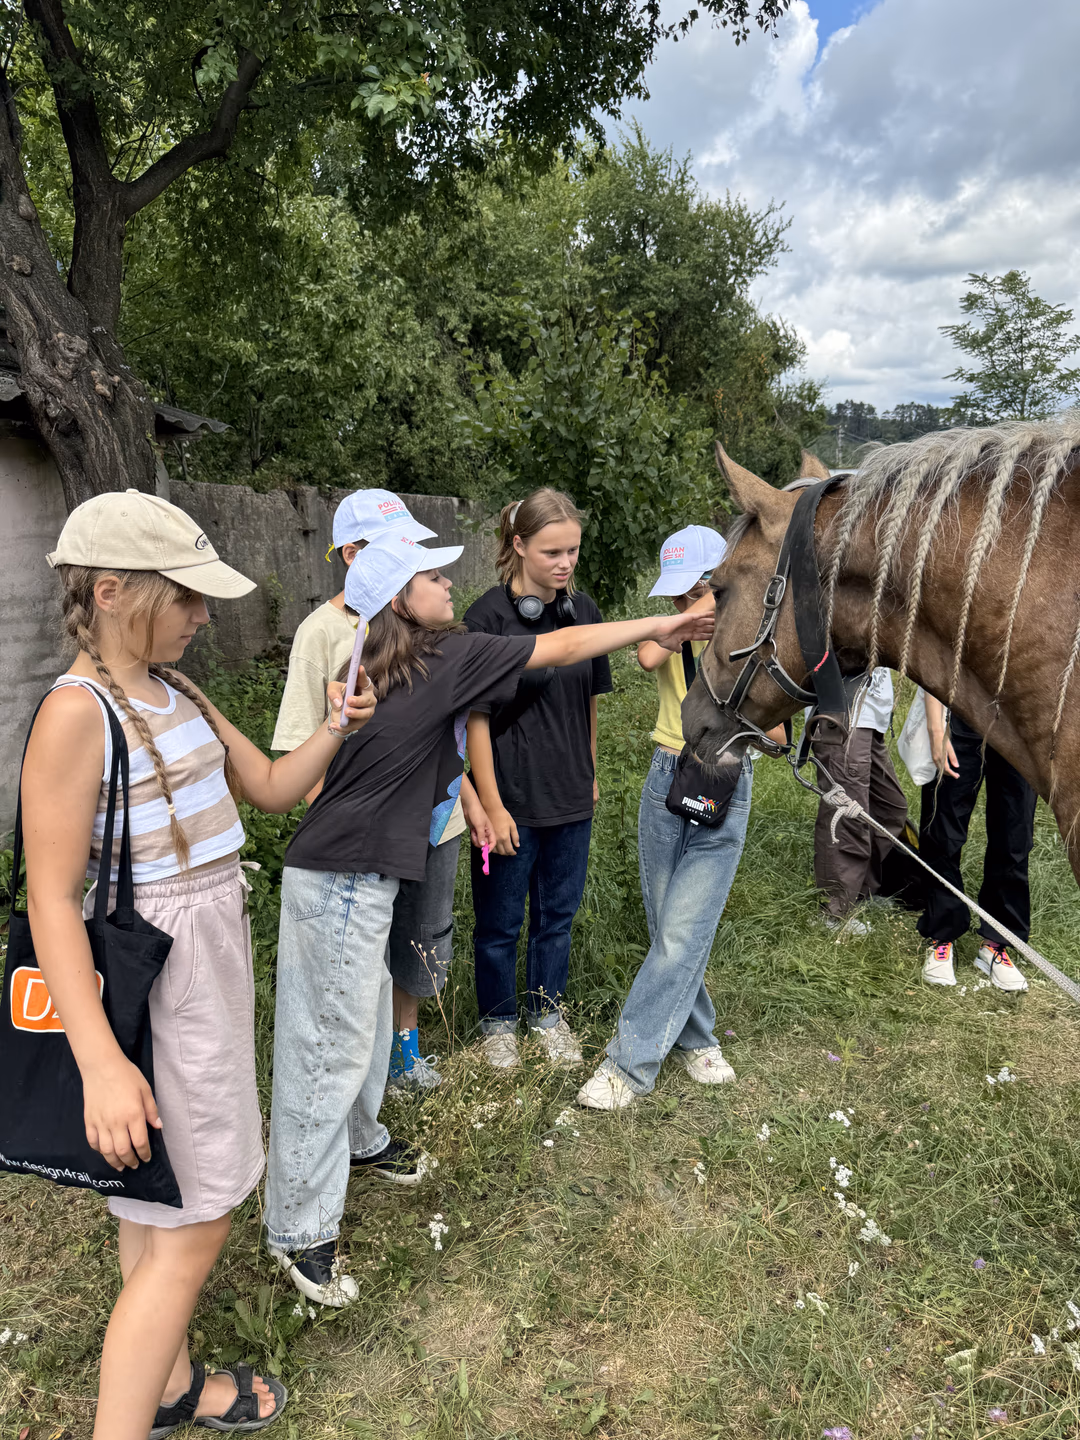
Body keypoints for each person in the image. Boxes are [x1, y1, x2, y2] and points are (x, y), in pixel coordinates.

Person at [264, 527, 714, 1304]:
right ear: (402, 600)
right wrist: (659, 626)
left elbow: (546, 661)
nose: (449, 584)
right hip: (339, 879)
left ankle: (364, 1138)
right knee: (324, 1050)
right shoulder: (432, 659)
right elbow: (562, 647)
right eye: (432, 577)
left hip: (363, 874)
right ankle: (299, 1232)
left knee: (366, 1021)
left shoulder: (409, 660)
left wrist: (484, 802)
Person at [20, 490, 376, 1440]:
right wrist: (102, 1064)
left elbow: (265, 787)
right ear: (109, 593)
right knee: (203, 1214)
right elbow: (50, 900)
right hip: (155, 984)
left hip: (205, 971)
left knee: (156, 1205)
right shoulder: (76, 716)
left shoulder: (180, 693)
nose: (204, 615)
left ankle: (172, 1386)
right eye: (185, 597)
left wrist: (339, 726)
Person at [271, 488, 494, 1091]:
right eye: (388, 546)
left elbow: (443, 736)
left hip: (435, 823)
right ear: (351, 553)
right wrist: (342, 815)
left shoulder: (425, 627)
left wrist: (471, 803)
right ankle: (360, 1062)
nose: (408, 555)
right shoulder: (322, 633)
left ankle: (405, 1049)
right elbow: (298, 747)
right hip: (364, 835)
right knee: (361, 947)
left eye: (411, 545)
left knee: (423, 936)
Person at [577, 526, 781, 1109]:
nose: (677, 603)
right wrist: (688, 622)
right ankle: (698, 1038)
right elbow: (643, 657)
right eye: (673, 594)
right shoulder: (674, 629)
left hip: (723, 779)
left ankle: (628, 1065)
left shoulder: (751, 639)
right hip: (665, 775)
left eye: (690, 590)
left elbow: (777, 733)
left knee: (683, 930)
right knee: (669, 925)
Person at [463, 489, 611, 1071]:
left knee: (558, 916)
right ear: (519, 545)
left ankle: (547, 1013)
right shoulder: (487, 618)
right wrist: (492, 804)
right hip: (512, 800)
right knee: (500, 922)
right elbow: (473, 719)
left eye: (573, 550)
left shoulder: (587, 612)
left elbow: (590, 704)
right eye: (552, 551)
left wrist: (591, 771)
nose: (565, 563)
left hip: (572, 794)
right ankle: (498, 1022)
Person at [919, 695, 1033, 992]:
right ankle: (941, 936)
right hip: (959, 713)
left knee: (1014, 837)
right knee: (943, 831)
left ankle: (996, 944)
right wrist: (936, 727)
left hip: (1018, 722)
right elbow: (939, 653)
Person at [810, 667, 909, 937]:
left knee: (890, 808)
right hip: (846, 712)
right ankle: (835, 910)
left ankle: (859, 893)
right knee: (847, 818)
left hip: (871, 716)